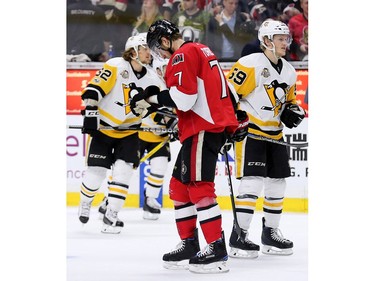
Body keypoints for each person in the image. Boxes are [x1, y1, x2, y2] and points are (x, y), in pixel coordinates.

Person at [129, 19, 249, 273]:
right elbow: (222, 91)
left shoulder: (182, 55)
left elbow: (184, 100)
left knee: (199, 186)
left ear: (164, 40)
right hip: (205, 127)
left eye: (159, 49)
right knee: (179, 187)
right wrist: (232, 121)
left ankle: (216, 248)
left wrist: (150, 98)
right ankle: (189, 244)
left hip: (202, 129)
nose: (160, 56)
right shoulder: (202, 50)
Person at [225, 19, 305, 258]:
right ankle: (239, 236)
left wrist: (294, 111)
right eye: (281, 39)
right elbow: (228, 95)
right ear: (267, 40)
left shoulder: (289, 70)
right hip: (251, 132)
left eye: (286, 38)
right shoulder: (250, 64)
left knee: (277, 182)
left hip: (275, 133)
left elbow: (289, 101)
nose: (285, 43)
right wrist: (232, 120)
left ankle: (270, 233)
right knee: (251, 182)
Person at [77, 34, 166, 234]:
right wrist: (91, 113)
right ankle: (85, 202)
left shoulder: (152, 78)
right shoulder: (116, 65)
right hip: (104, 129)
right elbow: (94, 89)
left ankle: (111, 216)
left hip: (130, 132)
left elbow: (156, 105)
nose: (149, 52)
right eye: (145, 48)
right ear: (133, 50)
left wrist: (171, 121)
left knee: (123, 175)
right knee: (95, 175)